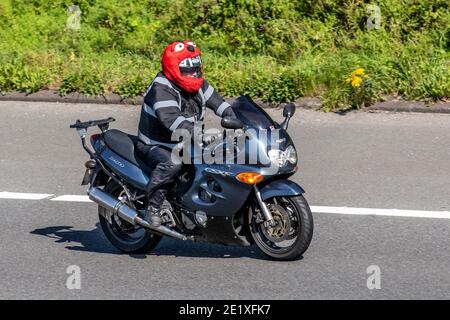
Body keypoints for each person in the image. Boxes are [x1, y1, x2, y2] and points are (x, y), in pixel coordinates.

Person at [136, 40, 236, 227]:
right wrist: (200, 134)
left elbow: (219, 103)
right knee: (172, 163)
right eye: (187, 70)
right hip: (156, 144)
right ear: (173, 68)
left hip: (186, 141)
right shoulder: (162, 87)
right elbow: (172, 120)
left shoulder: (198, 84)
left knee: (224, 155)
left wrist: (236, 118)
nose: (193, 74)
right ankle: (153, 206)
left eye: (196, 69)